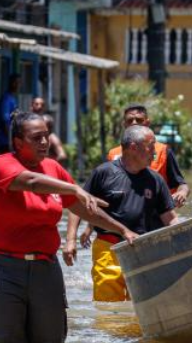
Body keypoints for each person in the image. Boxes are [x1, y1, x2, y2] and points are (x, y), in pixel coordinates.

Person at [0, 111, 139, 343]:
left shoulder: (53, 168)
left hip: (44, 266)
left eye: (47, 136)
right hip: (0, 266)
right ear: (18, 142)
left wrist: (123, 230)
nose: (44, 142)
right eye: (36, 137)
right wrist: (73, 189)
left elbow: (85, 209)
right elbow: (31, 182)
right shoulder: (1, 164)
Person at [76, 124, 179, 302]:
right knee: (107, 308)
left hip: (142, 249)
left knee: (139, 307)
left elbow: (170, 219)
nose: (154, 152)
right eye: (151, 146)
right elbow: (78, 204)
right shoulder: (104, 172)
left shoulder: (156, 180)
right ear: (133, 147)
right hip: (108, 248)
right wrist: (71, 240)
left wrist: (190, 234)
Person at [106, 103, 189, 208]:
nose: (134, 123)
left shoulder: (163, 151)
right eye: (130, 120)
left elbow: (181, 184)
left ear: (147, 122)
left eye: (139, 120)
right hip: (123, 213)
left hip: (157, 214)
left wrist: (182, 193)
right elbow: (104, 189)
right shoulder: (113, 154)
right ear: (124, 124)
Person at [0, 73, 20, 154]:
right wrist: (10, 140)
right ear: (11, 83)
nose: (17, 85)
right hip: (4, 141)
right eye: (15, 82)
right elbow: (4, 121)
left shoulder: (13, 98)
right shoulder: (6, 99)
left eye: (19, 83)